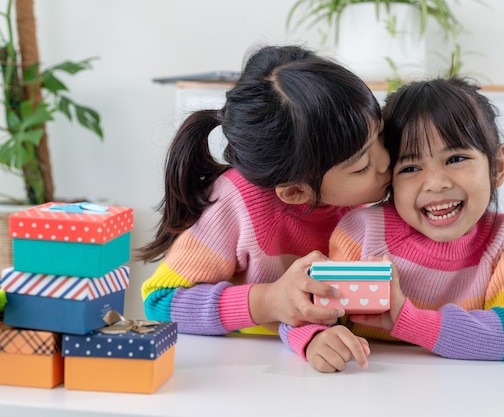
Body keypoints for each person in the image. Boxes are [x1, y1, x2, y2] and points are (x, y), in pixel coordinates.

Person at [279, 76, 504, 373]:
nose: (435, 183)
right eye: (410, 167)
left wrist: (407, 320)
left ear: (497, 166)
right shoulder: (363, 233)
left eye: (456, 158)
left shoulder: (502, 237)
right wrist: (316, 339)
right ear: (389, 178)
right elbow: (301, 311)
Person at [138, 45, 391, 337]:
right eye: (362, 166)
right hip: (253, 368)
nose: (386, 161)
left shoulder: (378, 188)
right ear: (296, 192)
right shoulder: (236, 202)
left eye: (381, 135)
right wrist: (268, 301)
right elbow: (159, 303)